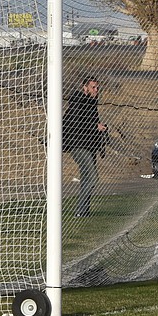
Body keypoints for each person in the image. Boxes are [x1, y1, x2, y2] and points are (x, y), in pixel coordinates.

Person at [62, 75, 107, 217]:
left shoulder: (92, 102)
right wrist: (95, 126)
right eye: (93, 87)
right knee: (93, 177)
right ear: (85, 87)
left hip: (90, 145)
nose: (96, 90)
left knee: (86, 178)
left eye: (97, 87)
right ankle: (80, 211)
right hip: (77, 145)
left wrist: (100, 131)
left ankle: (84, 211)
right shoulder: (77, 100)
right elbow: (76, 122)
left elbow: (92, 122)